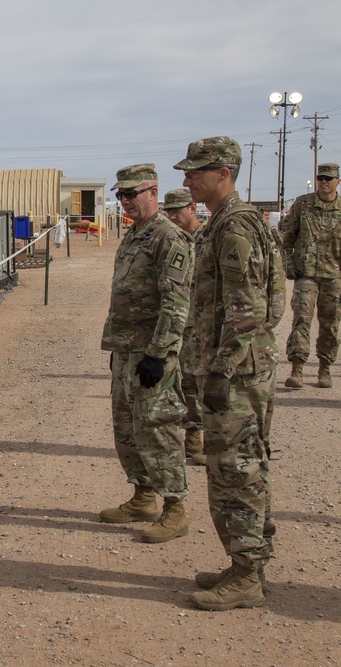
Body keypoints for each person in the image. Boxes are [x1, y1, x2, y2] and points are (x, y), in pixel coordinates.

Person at [174, 136, 285, 611]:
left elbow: (250, 308)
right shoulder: (227, 223)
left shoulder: (235, 227)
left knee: (234, 471)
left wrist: (221, 371)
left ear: (224, 173)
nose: (186, 179)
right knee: (243, 468)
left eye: (195, 172)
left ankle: (247, 576)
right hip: (240, 368)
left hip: (236, 374)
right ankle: (247, 564)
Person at [99, 164, 193, 544]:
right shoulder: (134, 235)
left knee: (158, 430)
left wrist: (158, 354)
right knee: (127, 430)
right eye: (120, 195)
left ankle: (175, 508)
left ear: (153, 192)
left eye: (131, 194)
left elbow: (176, 303)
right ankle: (143, 497)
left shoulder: (167, 238)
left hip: (151, 354)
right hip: (125, 351)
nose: (125, 201)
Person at [280, 163, 341, 389]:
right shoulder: (303, 204)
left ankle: (325, 370)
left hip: (334, 275)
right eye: (321, 178)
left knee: (331, 324)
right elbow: (286, 237)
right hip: (306, 273)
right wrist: (288, 265)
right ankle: (297, 370)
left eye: (329, 178)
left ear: (337, 181)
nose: (324, 182)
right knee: (301, 319)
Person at [162, 188, 206, 466]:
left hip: (202, 323)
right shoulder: (170, 239)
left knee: (198, 382)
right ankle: (184, 440)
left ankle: (198, 438)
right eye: (169, 212)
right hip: (176, 321)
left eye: (177, 211)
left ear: (192, 208)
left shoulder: (209, 238)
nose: (173, 216)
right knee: (178, 381)